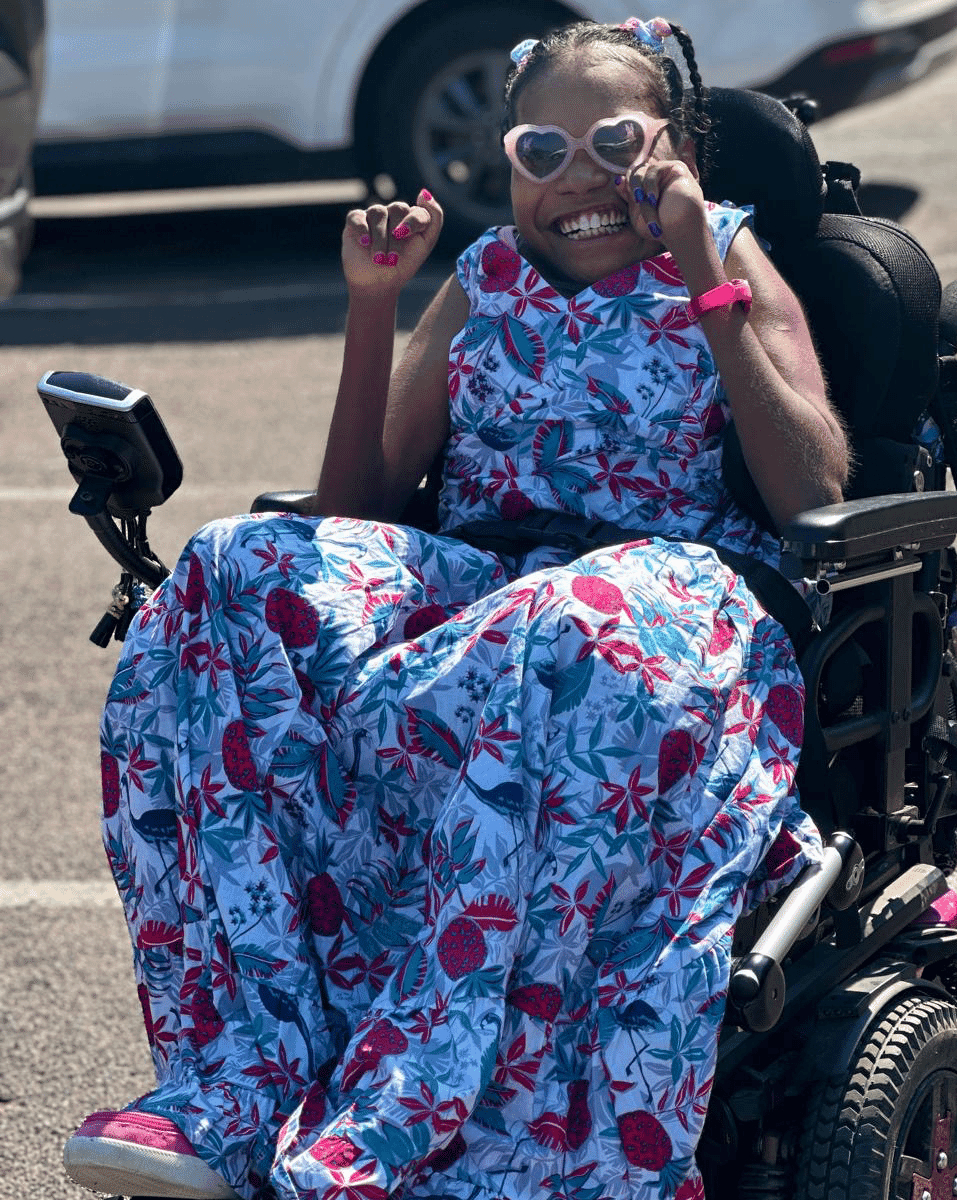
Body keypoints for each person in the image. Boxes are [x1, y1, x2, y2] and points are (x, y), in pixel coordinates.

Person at [63, 16, 849, 1200]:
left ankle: (433, 1125)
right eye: (544, 150)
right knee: (232, 567)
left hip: (675, 601)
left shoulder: (728, 257)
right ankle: (235, 1088)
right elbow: (352, 512)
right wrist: (372, 304)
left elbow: (814, 490)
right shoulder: (485, 279)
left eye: (615, 142)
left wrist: (702, 276)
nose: (580, 179)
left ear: (676, 147)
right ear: (510, 162)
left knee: (565, 622)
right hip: (497, 587)